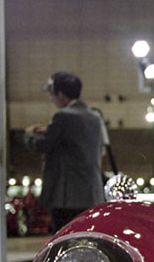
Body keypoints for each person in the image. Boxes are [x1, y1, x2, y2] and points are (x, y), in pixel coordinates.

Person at [24, 71, 105, 232]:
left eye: (52, 94)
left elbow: (42, 146)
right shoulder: (95, 117)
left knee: (64, 237)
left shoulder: (62, 116)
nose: (51, 98)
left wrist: (29, 134)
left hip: (66, 197)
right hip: (92, 195)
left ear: (60, 94)